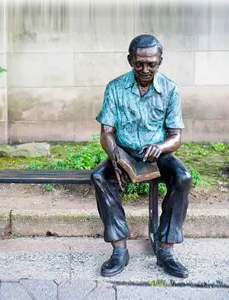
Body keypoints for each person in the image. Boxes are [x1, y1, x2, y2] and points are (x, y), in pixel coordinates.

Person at [90, 34, 191, 278]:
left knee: (183, 177)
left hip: (156, 153)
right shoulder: (115, 88)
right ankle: (119, 249)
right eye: (139, 63)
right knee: (99, 177)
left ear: (160, 61)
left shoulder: (170, 89)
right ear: (130, 60)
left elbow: (176, 136)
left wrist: (162, 146)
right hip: (123, 151)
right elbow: (106, 132)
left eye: (151, 64)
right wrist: (115, 155)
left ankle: (166, 250)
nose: (145, 69)